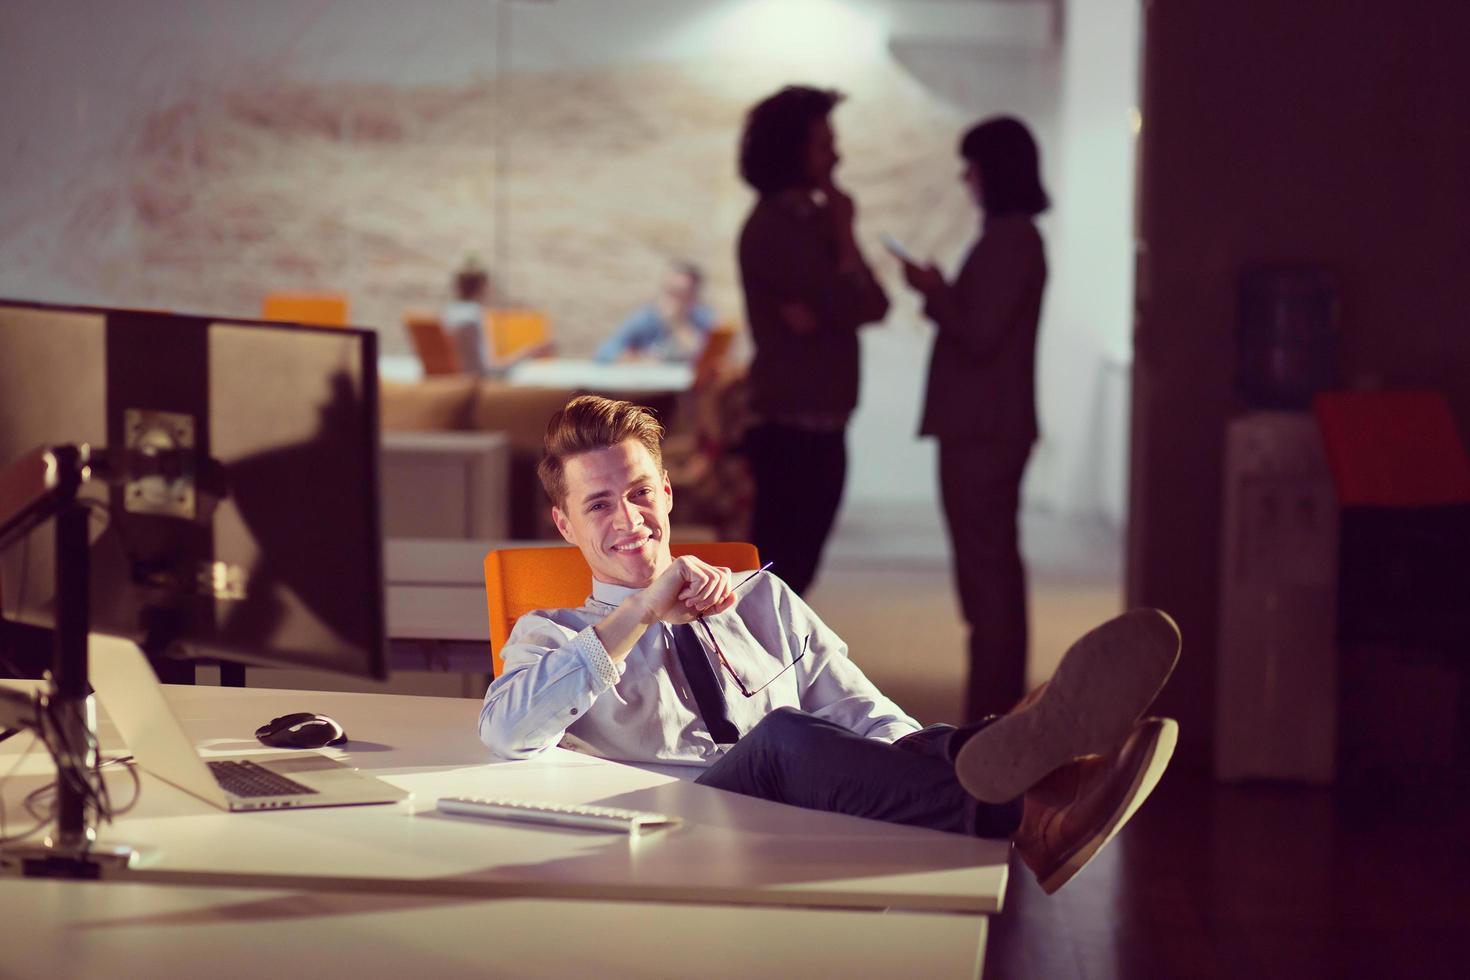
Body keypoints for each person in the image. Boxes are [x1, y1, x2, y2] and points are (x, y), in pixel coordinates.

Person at [478, 395, 1182, 894]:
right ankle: (1033, 812)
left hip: (806, 807)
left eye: (638, 493)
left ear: (666, 492)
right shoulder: (555, 634)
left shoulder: (760, 597)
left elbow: (863, 712)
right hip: (676, 824)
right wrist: (638, 612)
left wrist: (938, 755)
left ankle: (1022, 771)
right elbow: (507, 731)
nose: (627, 519)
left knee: (850, 736)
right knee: (783, 739)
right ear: (565, 525)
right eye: (598, 505)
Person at [893, 116, 1050, 722]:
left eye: (973, 166)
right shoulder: (1014, 239)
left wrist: (934, 291)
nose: (967, 178)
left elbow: (980, 334)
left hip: (984, 427)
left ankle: (995, 712)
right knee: (989, 569)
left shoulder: (1011, 240)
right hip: (987, 424)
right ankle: (995, 707)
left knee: (987, 575)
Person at [735, 85, 889, 597]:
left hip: (823, 419)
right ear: (791, 151)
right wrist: (844, 243)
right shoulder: (777, 227)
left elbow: (873, 307)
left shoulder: (818, 221)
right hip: (790, 426)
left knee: (793, 577)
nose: (836, 154)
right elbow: (852, 304)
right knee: (778, 581)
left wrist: (842, 241)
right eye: (824, 143)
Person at [441, 257, 552, 378]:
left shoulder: (449, 314)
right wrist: (529, 353)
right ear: (483, 287)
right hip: (478, 386)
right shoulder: (471, 319)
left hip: (455, 381)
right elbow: (487, 372)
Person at [594, 261, 718, 364]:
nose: (672, 300)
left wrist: (677, 324)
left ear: (694, 297)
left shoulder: (703, 319)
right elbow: (605, 352)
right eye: (669, 291)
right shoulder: (647, 317)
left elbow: (708, 359)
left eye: (681, 294)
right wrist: (636, 361)